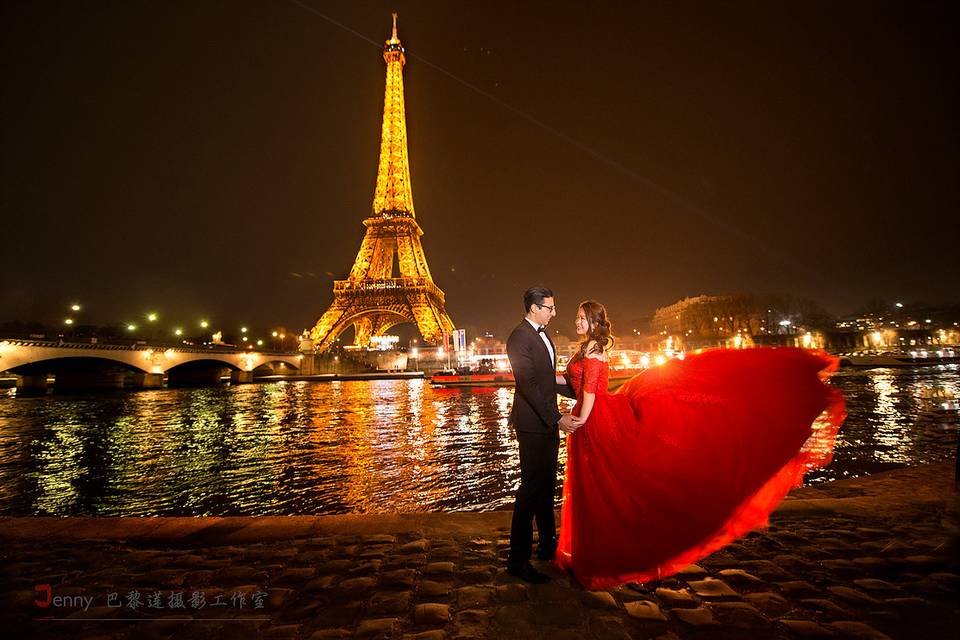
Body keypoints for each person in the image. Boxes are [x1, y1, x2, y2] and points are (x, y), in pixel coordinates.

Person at [554, 301, 845, 589]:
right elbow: (574, 384)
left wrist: (579, 420)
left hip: (595, 417)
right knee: (597, 485)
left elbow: (590, 392)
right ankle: (593, 554)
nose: (577, 321)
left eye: (581, 317)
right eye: (577, 316)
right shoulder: (586, 346)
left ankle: (601, 555)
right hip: (592, 414)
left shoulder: (593, 348)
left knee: (601, 485)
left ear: (594, 321)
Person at [505, 286, 580, 583]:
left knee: (546, 485)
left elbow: (547, 379)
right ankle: (518, 559)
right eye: (550, 307)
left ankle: (547, 544)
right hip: (534, 424)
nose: (554, 312)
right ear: (535, 308)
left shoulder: (544, 335)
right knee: (530, 491)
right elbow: (528, 385)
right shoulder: (519, 337)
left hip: (545, 422)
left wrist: (578, 391)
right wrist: (557, 418)